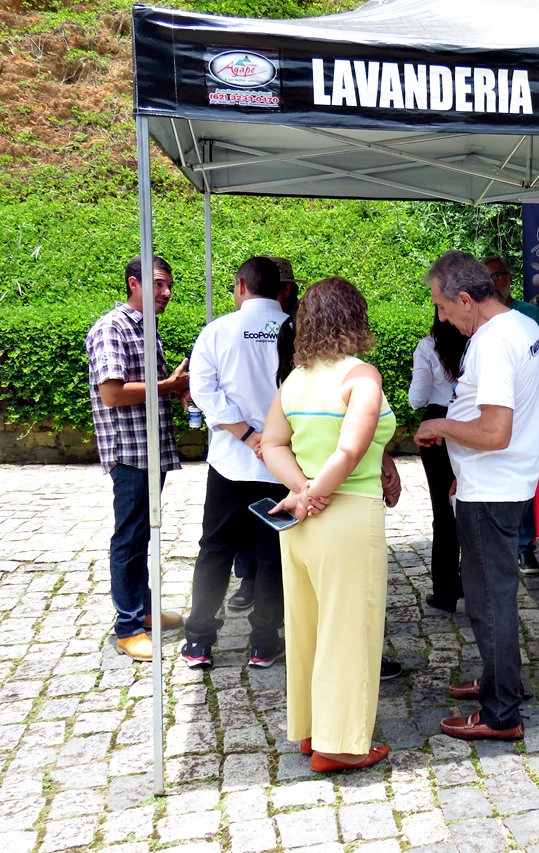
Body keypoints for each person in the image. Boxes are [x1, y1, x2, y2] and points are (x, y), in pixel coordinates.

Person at [261, 277, 401, 772]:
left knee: (307, 629)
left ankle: (310, 730)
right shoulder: (361, 376)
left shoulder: (294, 380)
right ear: (355, 317)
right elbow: (351, 449)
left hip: (300, 524)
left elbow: (270, 443)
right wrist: (316, 494)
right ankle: (338, 745)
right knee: (349, 629)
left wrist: (301, 490)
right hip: (346, 516)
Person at [415, 250, 539, 741]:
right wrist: (462, 470)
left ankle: (501, 714)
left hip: (492, 489)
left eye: (444, 306)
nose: (442, 317)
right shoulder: (522, 326)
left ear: (467, 299)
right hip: (497, 482)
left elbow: (494, 432)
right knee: (494, 595)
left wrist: (439, 426)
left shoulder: (493, 342)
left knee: (489, 601)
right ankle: (500, 680)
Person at [181, 257, 289, 670]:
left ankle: (199, 640)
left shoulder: (217, 330)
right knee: (273, 554)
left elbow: (203, 391)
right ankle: (264, 642)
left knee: (215, 549)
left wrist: (246, 434)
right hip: (282, 462)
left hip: (230, 461)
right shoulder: (296, 329)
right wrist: (269, 438)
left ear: (241, 285)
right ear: (280, 288)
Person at [86, 255, 190, 661]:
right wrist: (167, 385)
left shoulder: (146, 327)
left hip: (150, 449)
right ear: (134, 283)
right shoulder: (112, 328)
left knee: (143, 533)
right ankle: (128, 627)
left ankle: (144, 610)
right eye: (158, 284)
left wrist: (175, 389)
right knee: (129, 538)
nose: (167, 292)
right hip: (130, 452)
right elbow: (112, 394)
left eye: (169, 285)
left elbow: (149, 387)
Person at [230, 257, 300, 613]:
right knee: (245, 524)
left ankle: (277, 599)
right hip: (247, 445)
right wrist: (250, 435)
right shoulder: (237, 326)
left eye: (286, 288)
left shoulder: (300, 325)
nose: (281, 293)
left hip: (287, 444)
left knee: (278, 526)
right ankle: (249, 581)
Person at [483, 253, 539, 576]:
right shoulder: (479, 317)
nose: (494, 283)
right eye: (487, 277)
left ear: (510, 278)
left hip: (526, 412)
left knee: (524, 475)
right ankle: (495, 545)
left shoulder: (529, 315)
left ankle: (525, 547)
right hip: (490, 410)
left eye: (498, 275)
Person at [409, 311, 468, 613]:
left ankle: (445, 592)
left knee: (443, 512)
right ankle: (472, 582)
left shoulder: (427, 346)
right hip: (471, 421)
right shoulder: (475, 341)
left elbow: (416, 399)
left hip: (437, 424)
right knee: (472, 504)